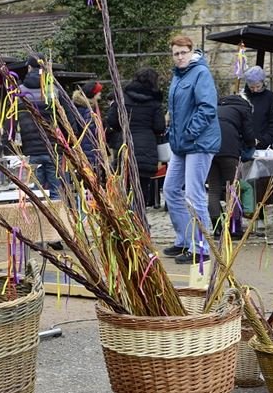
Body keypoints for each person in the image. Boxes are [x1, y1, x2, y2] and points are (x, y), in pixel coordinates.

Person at [163, 35, 221, 265]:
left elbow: (207, 108)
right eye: (176, 53)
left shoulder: (201, 73)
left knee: (194, 195)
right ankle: (185, 240)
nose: (179, 57)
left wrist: (188, 132)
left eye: (183, 53)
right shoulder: (178, 76)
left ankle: (202, 247)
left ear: (191, 51)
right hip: (181, 144)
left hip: (198, 142)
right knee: (170, 189)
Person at [107, 68, 166, 209]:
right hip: (146, 150)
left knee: (124, 187)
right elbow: (160, 127)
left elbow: (112, 121)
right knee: (142, 189)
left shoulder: (122, 98)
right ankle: (139, 220)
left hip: (125, 147)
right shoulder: (154, 102)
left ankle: (126, 221)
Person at [7, 54, 62, 199]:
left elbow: (10, 122)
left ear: (29, 67)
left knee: (36, 196)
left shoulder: (19, 92)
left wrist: (9, 144)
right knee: (58, 194)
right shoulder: (54, 90)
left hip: (30, 151)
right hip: (53, 149)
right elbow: (67, 118)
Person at [207, 94, 256, 237]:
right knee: (233, 190)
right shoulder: (242, 109)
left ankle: (217, 228)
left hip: (210, 149)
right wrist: (252, 144)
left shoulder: (217, 107)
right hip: (229, 151)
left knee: (214, 190)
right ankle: (234, 228)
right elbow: (248, 134)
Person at [244, 66, 273, 149]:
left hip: (264, 145)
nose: (255, 90)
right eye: (251, 87)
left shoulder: (270, 97)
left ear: (263, 83)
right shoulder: (243, 97)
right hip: (245, 146)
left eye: (258, 86)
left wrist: (264, 141)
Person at [72, 81, 103, 170]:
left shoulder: (79, 107)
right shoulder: (88, 110)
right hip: (88, 150)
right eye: (98, 92)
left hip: (84, 148)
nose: (100, 95)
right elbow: (91, 133)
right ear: (92, 94)